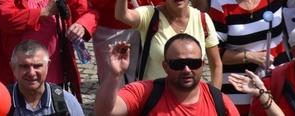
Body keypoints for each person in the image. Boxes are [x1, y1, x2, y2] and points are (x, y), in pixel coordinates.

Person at [115, 0, 222, 86]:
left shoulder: (203, 19)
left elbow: (216, 65)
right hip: (155, 96)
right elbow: (122, 15)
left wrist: (215, 97)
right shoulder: (150, 15)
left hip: (191, 98)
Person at [95, 35, 239, 115]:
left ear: (202, 65)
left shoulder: (220, 101)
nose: (187, 69)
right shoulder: (145, 93)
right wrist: (115, 75)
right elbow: (103, 113)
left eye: (193, 63)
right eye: (178, 64)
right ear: (165, 66)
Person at [0, 40, 85, 115]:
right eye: (24, 66)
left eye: (37, 66)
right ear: (13, 67)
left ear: (48, 66)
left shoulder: (65, 102)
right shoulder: (0, 99)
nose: (31, 72)